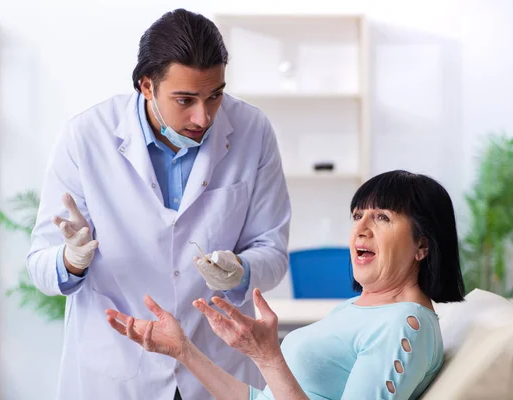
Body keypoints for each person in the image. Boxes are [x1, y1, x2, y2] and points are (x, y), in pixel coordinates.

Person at [26, 8, 291, 400]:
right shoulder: (86, 137)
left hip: (215, 367)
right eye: (185, 99)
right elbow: (39, 267)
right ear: (146, 85)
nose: (203, 116)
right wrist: (71, 261)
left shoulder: (253, 131)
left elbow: (273, 253)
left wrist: (241, 271)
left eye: (215, 95)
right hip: (118, 370)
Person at [106, 170, 466, 400]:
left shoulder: (404, 325)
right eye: (358, 216)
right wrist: (183, 351)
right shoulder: (357, 310)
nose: (360, 228)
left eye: (382, 217)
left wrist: (268, 356)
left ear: (423, 245)